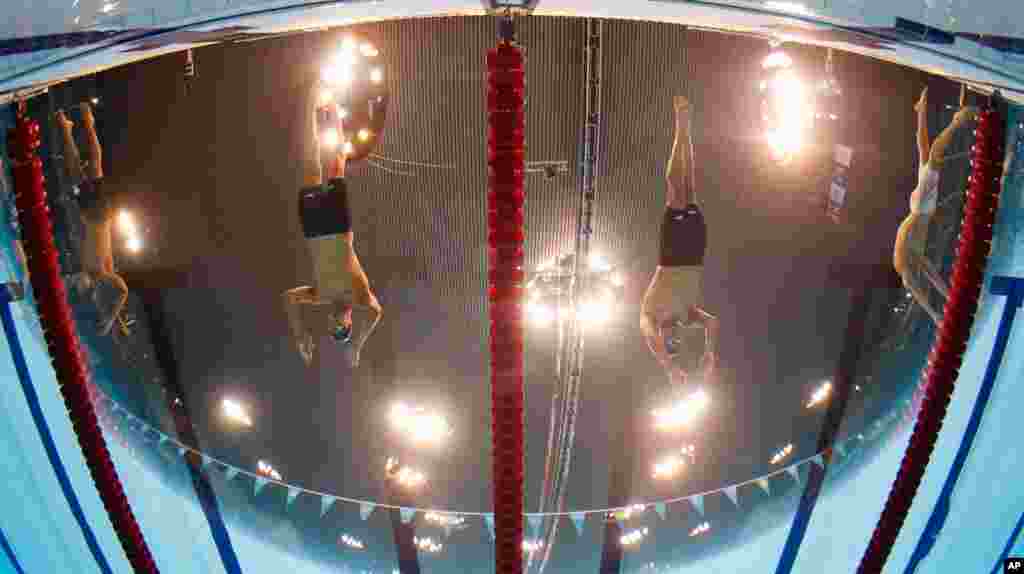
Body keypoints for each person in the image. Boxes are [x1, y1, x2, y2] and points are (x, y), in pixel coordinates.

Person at [283, 80, 382, 367]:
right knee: (338, 162)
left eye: (332, 328)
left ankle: (312, 105)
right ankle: (334, 108)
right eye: (342, 328)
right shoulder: (360, 296)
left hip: (314, 230)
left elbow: (287, 299)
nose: (335, 323)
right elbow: (376, 312)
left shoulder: (319, 297)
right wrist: (359, 346)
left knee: (311, 167)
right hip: (338, 226)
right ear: (349, 321)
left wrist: (300, 334)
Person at [640, 96, 720, 387]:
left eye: (667, 340)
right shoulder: (688, 315)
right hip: (695, 254)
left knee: (676, 190)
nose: (672, 336)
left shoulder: (650, 316)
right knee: (690, 188)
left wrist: (668, 367)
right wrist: (710, 353)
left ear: (663, 336)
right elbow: (713, 322)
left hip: (671, 256)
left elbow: (650, 337)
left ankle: (681, 126)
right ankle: (685, 131)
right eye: (677, 341)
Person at [893, 86, 976, 326]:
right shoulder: (916, 259)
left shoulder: (908, 268)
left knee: (935, 153)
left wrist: (935, 314)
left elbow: (919, 289)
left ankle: (958, 120)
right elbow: (934, 280)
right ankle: (921, 111)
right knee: (925, 151)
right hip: (918, 207)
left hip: (921, 207)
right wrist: (949, 300)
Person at [56, 102, 130, 337]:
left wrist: (115, 320)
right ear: (94, 287)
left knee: (84, 167)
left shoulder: (98, 270)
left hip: (96, 213)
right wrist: (109, 320)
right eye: (82, 286)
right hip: (96, 212)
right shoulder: (102, 272)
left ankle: (74, 122)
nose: (80, 283)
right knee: (83, 166)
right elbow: (122, 291)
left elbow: (109, 297)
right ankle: (75, 121)